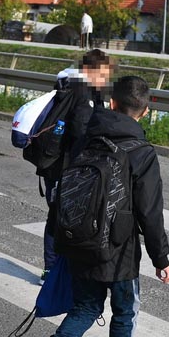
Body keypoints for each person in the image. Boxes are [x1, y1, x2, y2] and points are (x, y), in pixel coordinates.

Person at [22, 76, 169, 337]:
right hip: (118, 250)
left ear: (112, 103)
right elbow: (150, 212)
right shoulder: (141, 152)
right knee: (124, 310)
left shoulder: (86, 138)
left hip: (78, 240)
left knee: (87, 307)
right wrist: (160, 258)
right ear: (145, 112)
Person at [40, 49, 117, 279]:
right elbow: (81, 131)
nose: (106, 80)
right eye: (103, 74)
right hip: (67, 165)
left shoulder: (69, 85)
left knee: (59, 214)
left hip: (59, 163)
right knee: (60, 216)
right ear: (90, 70)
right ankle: (53, 269)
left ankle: (54, 267)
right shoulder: (81, 91)